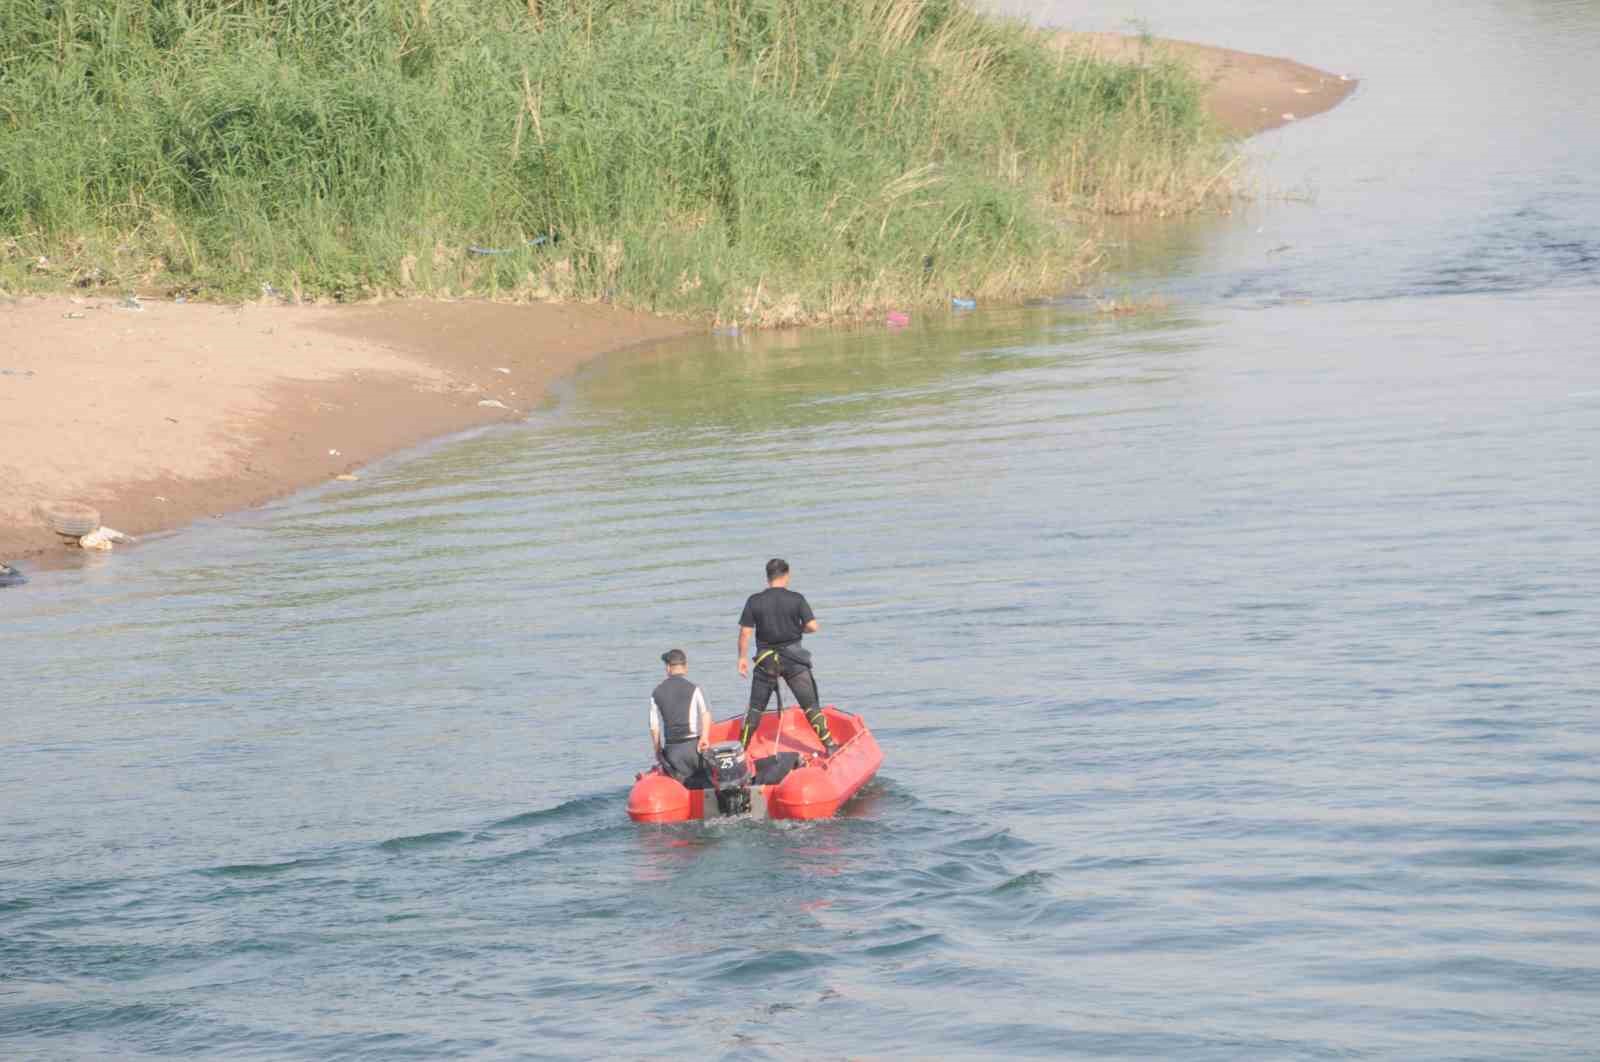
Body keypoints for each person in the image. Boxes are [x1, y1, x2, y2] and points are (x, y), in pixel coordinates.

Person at [737, 558, 838, 754]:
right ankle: (830, 746)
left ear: (767, 577)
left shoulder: (754, 601)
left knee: (756, 708)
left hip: (765, 661)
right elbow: (813, 626)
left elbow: (745, 633)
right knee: (810, 705)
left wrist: (741, 658)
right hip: (794, 660)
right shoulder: (797, 599)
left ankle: (741, 750)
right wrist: (796, 630)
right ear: (786, 575)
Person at [650, 649, 713, 784]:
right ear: (685, 668)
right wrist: (704, 737)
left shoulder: (656, 692)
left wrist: (657, 749)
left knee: (680, 783)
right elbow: (705, 714)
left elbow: (654, 726)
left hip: (673, 751)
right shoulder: (694, 688)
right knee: (706, 781)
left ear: (668, 668)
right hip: (694, 749)